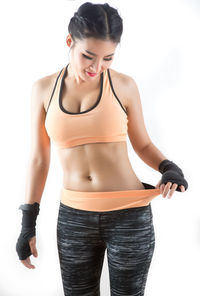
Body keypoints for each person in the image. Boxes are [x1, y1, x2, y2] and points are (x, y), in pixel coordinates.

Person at [16, 2, 188, 296]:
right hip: (74, 217)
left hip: (129, 215)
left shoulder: (124, 86)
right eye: (88, 56)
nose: (97, 67)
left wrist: (168, 166)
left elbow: (143, 143)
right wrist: (27, 222)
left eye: (108, 58)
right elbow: (38, 160)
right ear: (70, 42)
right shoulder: (43, 90)